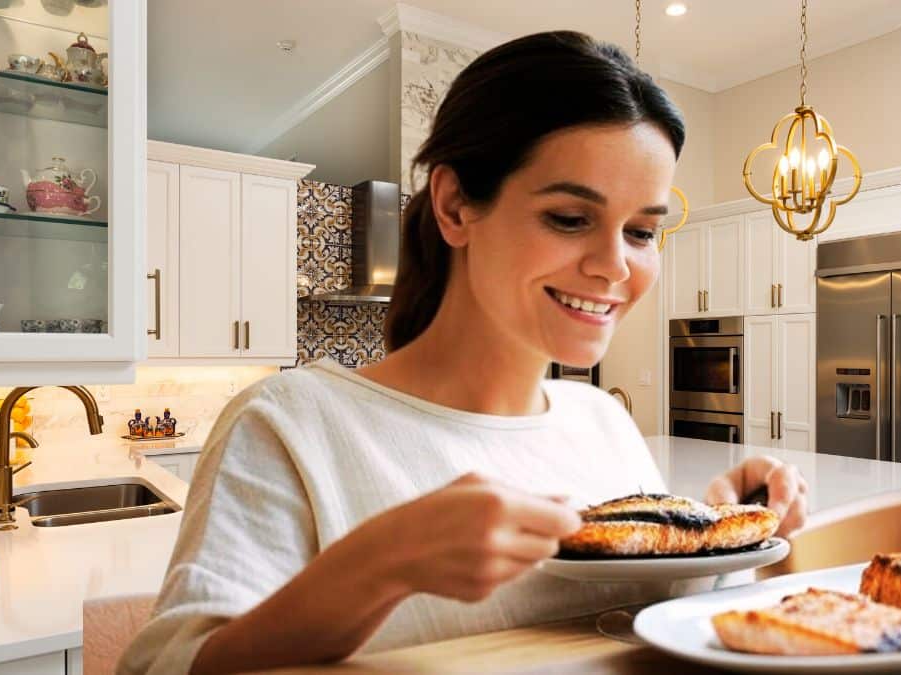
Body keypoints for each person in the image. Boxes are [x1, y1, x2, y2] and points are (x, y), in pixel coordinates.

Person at [120, 30, 807, 675]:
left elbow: (642, 634)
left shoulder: (600, 419)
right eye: (570, 218)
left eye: (641, 231)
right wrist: (380, 562)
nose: (614, 266)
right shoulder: (291, 423)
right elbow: (171, 665)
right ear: (453, 206)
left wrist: (716, 540)